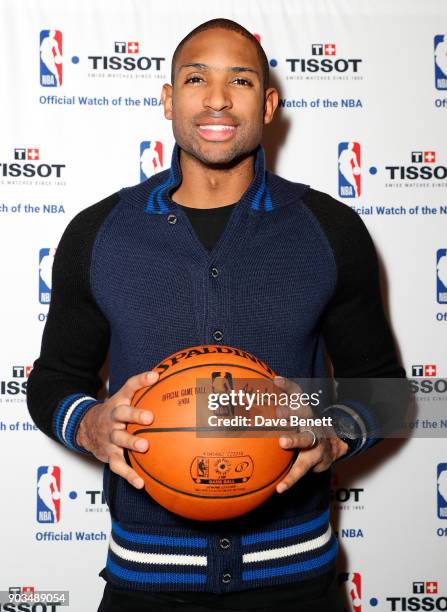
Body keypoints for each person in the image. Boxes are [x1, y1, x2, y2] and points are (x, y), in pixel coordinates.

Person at [27, 18, 406, 611]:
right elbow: (52, 381)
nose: (218, 98)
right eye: (197, 78)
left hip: (296, 581)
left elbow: (389, 393)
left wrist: (334, 436)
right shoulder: (100, 232)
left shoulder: (329, 230)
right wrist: (89, 424)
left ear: (270, 103)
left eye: (242, 80)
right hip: (148, 583)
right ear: (168, 99)